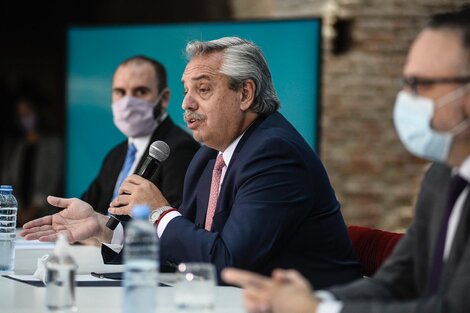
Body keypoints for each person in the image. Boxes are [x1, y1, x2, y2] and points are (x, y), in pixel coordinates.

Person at [21, 37, 361, 288]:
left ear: (245, 94)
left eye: (203, 89)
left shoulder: (275, 154)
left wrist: (160, 211)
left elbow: (225, 263)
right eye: (185, 90)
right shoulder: (208, 157)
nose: (186, 104)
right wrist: (104, 229)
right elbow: (182, 250)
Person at [222, 6, 470, 313]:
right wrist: (317, 302)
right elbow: (398, 281)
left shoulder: (273, 147)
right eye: (405, 83)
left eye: (421, 85)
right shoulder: (443, 175)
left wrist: (318, 311)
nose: (407, 98)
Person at [80, 55, 199, 217]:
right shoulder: (115, 155)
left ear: (164, 99)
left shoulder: (180, 149)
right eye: (120, 92)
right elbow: (87, 207)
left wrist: (104, 235)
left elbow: (176, 227)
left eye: (140, 91)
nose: (128, 102)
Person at [1, 95, 63, 226]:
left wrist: (32, 210)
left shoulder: (53, 144)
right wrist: (19, 209)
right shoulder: (15, 147)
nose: (25, 118)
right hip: (17, 215)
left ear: (37, 112)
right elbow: (7, 179)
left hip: (45, 215)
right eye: (21, 115)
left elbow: (52, 180)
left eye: (27, 113)